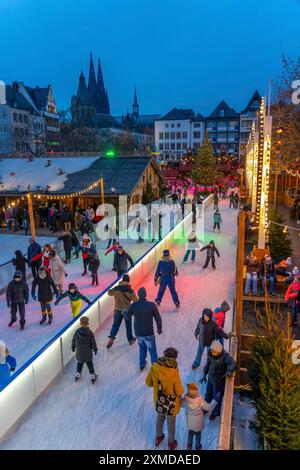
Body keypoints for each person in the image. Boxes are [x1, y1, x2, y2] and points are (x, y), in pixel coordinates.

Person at [145, 347, 184, 450]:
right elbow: (179, 391)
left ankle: (159, 437)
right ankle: (171, 443)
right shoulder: (174, 371)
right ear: (174, 358)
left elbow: (148, 383)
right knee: (171, 423)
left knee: (160, 418)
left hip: (159, 400)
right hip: (171, 404)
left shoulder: (154, 367)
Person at [126, 287, 162, 371]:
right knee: (152, 351)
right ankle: (155, 368)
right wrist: (159, 328)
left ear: (138, 295)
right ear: (145, 295)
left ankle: (142, 365)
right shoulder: (152, 305)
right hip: (149, 333)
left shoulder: (133, 305)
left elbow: (127, 317)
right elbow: (158, 317)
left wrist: (124, 312)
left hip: (138, 333)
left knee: (142, 349)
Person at [200, 341, 237, 419]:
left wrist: (229, 371)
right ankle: (205, 409)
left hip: (219, 381)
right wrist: (204, 374)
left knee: (216, 397)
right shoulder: (210, 354)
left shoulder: (224, 356)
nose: (212, 352)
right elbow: (207, 365)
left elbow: (232, 363)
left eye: (214, 351)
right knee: (208, 394)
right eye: (211, 350)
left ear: (219, 351)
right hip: (211, 378)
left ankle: (214, 413)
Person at [181, 383, 220, 450]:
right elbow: (209, 407)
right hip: (198, 424)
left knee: (190, 433)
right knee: (198, 435)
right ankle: (198, 446)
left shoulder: (185, 400)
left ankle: (189, 446)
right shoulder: (200, 401)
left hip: (190, 423)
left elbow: (180, 404)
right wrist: (215, 400)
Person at [107, 274, 137, 349]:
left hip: (117, 309)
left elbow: (109, 293)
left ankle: (111, 339)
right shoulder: (130, 291)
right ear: (128, 281)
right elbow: (136, 301)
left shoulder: (117, 288)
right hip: (127, 310)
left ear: (122, 280)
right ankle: (130, 339)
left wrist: (115, 288)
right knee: (128, 326)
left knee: (115, 325)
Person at [71, 316, 98, 384]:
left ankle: (77, 375)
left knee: (79, 364)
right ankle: (92, 376)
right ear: (87, 323)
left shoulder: (77, 332)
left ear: (81, 323)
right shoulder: (89, 333)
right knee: (90, 365)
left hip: (79, 353)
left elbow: (73, 340)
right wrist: (95, 349)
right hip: (87, 353)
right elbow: (93, 342)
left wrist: (73, 347)